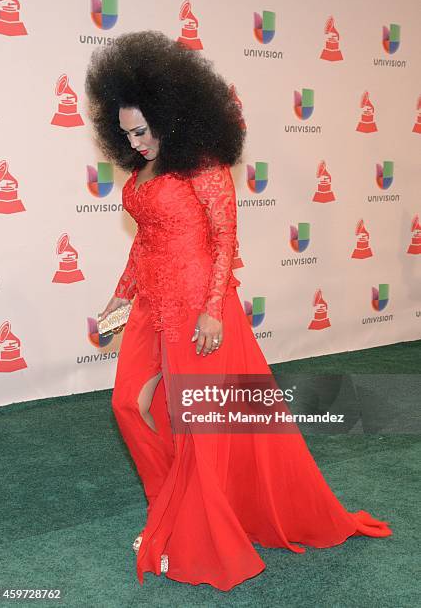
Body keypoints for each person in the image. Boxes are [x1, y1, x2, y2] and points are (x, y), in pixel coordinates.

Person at [85, 30, 392, 592]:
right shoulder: (141, 172)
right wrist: (119, 297)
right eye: (125, 132)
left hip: (203, 307)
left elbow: (225, 239)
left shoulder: (203, 164)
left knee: (201, 423)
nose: (135, 141)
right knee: (129, 402)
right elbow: (144, 241)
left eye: (142, 129)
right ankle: (168, 508)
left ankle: (199, 529)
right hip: (153, 304)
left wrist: (211, 311)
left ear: (170, 114)